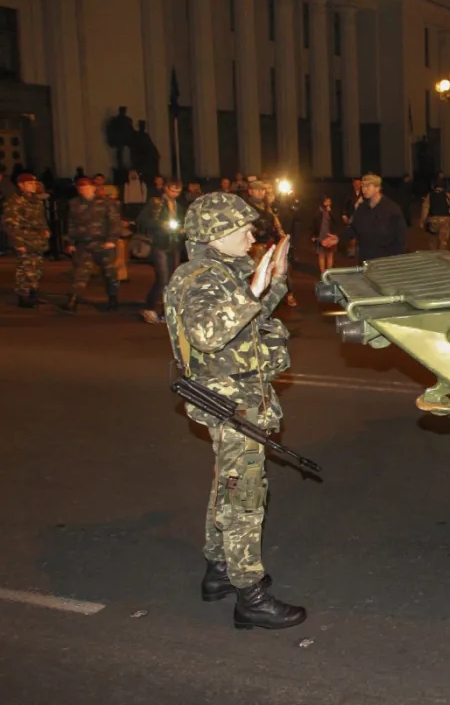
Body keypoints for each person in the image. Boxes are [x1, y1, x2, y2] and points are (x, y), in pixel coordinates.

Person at [164, 193, 306, 630]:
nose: (251, 235)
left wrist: (275, 278)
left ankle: (218, 570)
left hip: (239, 396)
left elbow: (252, 311)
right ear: (213, 236)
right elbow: (208, 333)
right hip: (229, 401)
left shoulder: (224, 272)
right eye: (241, 229)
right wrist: (253, 290)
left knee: (228, 484)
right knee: (244, 496)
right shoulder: (199, 279)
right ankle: (251, 596)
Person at [62, 176, 121, 313]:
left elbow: (114, 222)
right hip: (84, 244)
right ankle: (72, 300)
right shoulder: (74, 203)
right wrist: (70, 242)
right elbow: (71, 224)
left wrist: (111, 240)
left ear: (93, 188)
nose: (84, 190)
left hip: (103, 244)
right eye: (81, 188)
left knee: (109, 273)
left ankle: (113, 299)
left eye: (87, 187)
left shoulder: (106, 203)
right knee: (80, 273)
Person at [323, 173, 405, 262]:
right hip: (366, 260)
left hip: (385, 262)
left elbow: (400, 238)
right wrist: (339, 238)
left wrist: (396, 261)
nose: (363, 189)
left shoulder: (392, 209)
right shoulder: (362, 208)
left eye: (367, 186)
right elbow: (354, 229)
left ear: (377, 188)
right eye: (362, 186)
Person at [137, 179, 185, 323]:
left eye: (178, 191)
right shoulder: (155, 203)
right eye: (172, 190)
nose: (175, 194)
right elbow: (142, 220)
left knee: (172, 280)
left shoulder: (179, 206)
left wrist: (182, 229)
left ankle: (167, 311)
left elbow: (183, 221)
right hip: (159, 244)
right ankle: (149, 308)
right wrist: (160, 224)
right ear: (165, 188)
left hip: (174, 244)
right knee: (163, 278)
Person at [246, 179, 296, 307]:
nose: (261, 192)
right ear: (250, 191)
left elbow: (276, 220)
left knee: (280, 268)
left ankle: (286, 294)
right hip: (254, 245)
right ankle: (256, 301)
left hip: (270, 242)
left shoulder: (267, 205)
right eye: (258, 190)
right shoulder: (246, 206)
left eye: (262, 190)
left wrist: (281, 235)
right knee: (257, 273)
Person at [3, 173, 50, 307]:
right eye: (29, 183)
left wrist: (46, 230)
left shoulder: (36, 200)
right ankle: (24, 296)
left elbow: (41, 219)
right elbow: (10, 224)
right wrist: (18, 242)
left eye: (34, 183)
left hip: (37, 240)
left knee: (37, 268)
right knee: (25, 268)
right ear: (21, 185)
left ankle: (33, 293)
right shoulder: (15, 201)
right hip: (24, 239)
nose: (33, 186)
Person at [418, 177, 450, 251]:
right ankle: (442, 256)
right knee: (443, 242)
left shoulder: (430, 195)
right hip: (445, 220)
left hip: (433, 220)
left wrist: (422, 221)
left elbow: (425, 208)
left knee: (432, 241)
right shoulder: (448, 195)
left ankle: (434, 256)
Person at [313, 196, 336, 272]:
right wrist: (313, 235)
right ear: (323, 202)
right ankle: (323, 273)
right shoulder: (319, 210)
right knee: (321, 255)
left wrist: (330, 212)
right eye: (327, 201)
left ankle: (329, 272)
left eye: (330, 201)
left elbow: (336, 221)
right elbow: (314, 223)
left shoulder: (331, 211)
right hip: (320, 235)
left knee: (330, 254)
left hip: (330, 235)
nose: (328, 203)